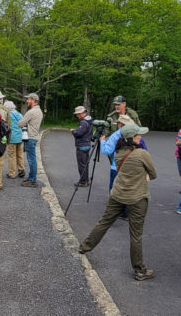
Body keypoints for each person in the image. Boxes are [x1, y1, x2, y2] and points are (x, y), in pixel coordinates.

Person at [79, 124, 157, 281]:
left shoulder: (118, 152)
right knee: (136, 234)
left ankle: (85, 246)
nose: (140, 137)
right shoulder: (141, 154)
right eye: (137, 136)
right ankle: (139, 270)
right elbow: (153, 174)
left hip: (117, 193)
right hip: (137, 196)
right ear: (131, 138)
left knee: (104, 221)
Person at [100, 114, 142, 220]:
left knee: (114, 188)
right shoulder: (135, 134)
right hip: (131, 166)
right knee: (128, 188)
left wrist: (102, 141)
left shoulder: (116, 135)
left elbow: (107, 151)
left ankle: (116, 211)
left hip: (117, 166)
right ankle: (127, 212)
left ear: (120, 125)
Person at [18, 93, 44, 187]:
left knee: (31, 160)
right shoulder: (39, 111)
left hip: (30, 138)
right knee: (32, 159)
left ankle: (32, 180)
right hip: (34, 136)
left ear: (33, 100)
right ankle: (31, 177)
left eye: (28, 99)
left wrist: (24, 121)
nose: (27, 101)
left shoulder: (31, 112)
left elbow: (20, 124)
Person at [70, 106, 93, 187]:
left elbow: (79, 133)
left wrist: (73, 131)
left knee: (81, 165)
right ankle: (86, 180)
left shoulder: (83, 122)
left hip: (82, 145)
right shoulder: (89, 121)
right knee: (85, 164)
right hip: (87, 144)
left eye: (78, 114)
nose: (77, 116)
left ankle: (83, 181)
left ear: (82, 113)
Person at [4, 100, 25, 179]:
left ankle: (12, 173)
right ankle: (21, 170)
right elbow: (23, 124)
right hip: (20, 137)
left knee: (12, 156)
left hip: (11, 138)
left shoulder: (7, 115)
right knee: (20, 155)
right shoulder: (19, 114)